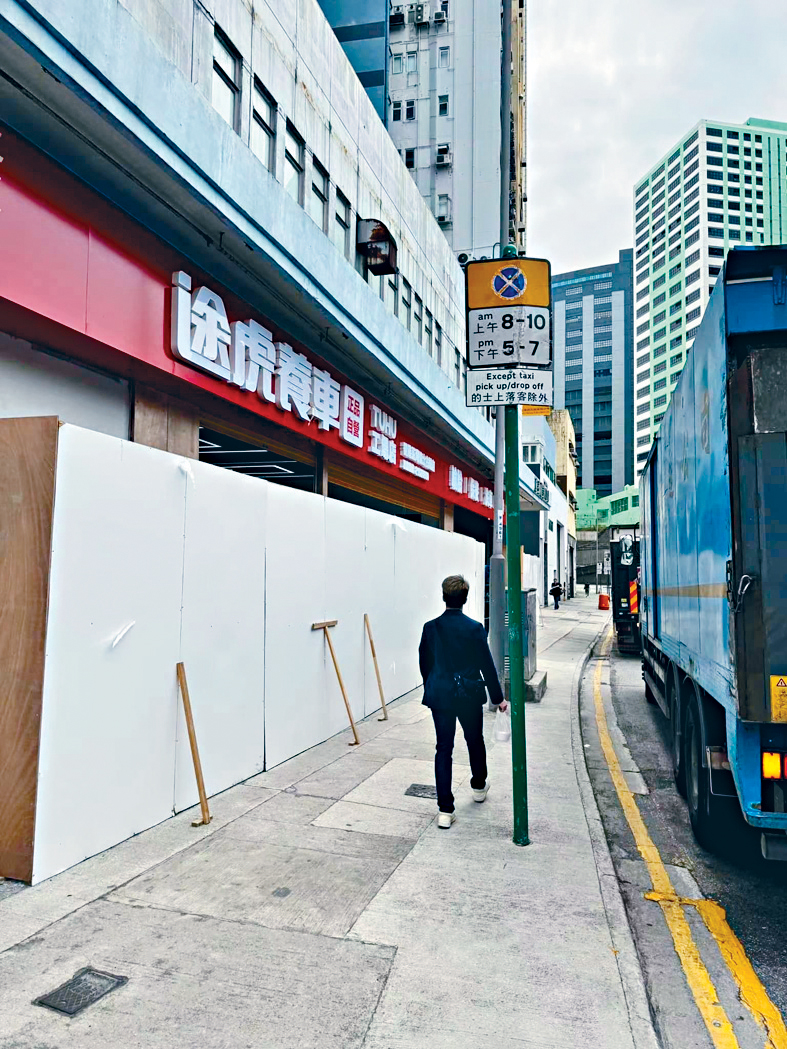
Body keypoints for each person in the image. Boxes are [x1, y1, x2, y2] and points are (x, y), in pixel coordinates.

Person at [419, 575, 507, 829]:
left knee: (443, 748)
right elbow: (486, 666)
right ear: (465, 599)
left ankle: (445, 810)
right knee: (474, 740)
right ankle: (479, 786)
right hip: (468, 694)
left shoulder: (430, 628)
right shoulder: (474, 628)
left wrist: (433, 684)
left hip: (441, 695)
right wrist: (498, 698)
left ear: (444, 597)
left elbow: (424, 663)